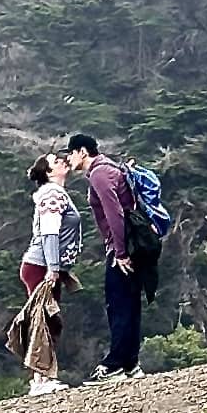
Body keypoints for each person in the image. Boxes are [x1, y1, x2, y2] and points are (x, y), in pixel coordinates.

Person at [66, 133, 157, 381]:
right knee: (129, 303)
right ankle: (130, 362)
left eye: (70, 152)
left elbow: (115, 214)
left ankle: (115, 363)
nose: (69, 158)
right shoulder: (110, 168)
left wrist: (120, 253)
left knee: (118, 304)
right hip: (132, 243)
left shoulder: (99, 174)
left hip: (124, 246)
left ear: (83, 151)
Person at [11, 153, 76, 396]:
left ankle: (41, 376)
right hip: (40, 266)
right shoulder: (51, 194)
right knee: (43, 320)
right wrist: (53, 267)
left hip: (43, 265)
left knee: (46, 320)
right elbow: (50, 234)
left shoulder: (56, 193)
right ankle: (41, 378)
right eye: (55, 161)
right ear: (49, 172)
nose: (61, 161)